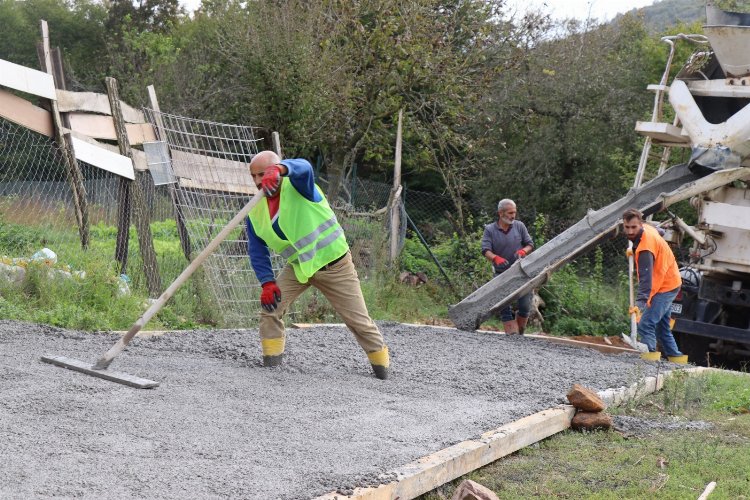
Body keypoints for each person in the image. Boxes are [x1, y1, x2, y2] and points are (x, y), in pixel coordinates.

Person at [245, 150, 390, 379]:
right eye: (253, 176)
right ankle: (271, 367)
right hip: (299, 268)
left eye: (262, 174)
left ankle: (383, 370)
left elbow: (304, 167)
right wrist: (267, 282)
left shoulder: (300, 186)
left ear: (277, 170)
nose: (257, 181)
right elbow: (257, 250)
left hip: (335, 265)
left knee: (358, 321)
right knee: (270, 309)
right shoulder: (254, 210)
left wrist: (282, 169)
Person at [622, 208, 687, 363]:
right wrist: (634, 248)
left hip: (665, 286)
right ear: (623, 225)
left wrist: (640, 304)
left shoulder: (645, 249)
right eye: (627, 227)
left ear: (640, 225)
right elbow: (660, 232)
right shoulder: (648, 229)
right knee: (662, 327)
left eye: (633, 227)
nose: (630, 231)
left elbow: (646, 279)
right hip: (670, 280)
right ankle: (677, 359)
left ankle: (649, 359)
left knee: (646, 324)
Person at [481, 199, 534, 334]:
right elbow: (485, 250)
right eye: (510, 213)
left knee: (525, 304)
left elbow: (530, 244)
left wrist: (523, 251)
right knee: (504, 305)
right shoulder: (490, 230)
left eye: (514, 212)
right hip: (501, 273)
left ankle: (520, 331)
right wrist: (495, 258)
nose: (513, 216)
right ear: (501, 213)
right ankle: (511, 334)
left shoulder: (519, 226)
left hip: (521, 272)